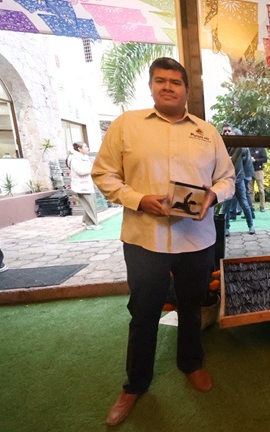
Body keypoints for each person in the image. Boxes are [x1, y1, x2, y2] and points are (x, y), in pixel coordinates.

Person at [91, 57, 235, 426]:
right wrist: (139, 200)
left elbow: (227, 178)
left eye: (175, 81)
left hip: (196, 239)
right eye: (160, 80)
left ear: (186, 90)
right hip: (145, 237)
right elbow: (104, 173)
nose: (167, 86)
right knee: (143, 311)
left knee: (192, 306)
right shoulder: (127, 125)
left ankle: (191, 363)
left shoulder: (207, 132)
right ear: (152, 86)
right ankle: (135, 384)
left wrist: (212, 196)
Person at [221, 145, 255, 236]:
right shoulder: (223, 148)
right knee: (226, 206)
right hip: (228, 181)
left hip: (238, 179)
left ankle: (250, 225)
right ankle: (226, 228)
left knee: (244, 203)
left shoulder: (240, 149)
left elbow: (246, 161)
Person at [67, 142, 102, 230]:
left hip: (87, 183)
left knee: (90, 203)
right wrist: (93, 168)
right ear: (79, 149)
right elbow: (80, 171)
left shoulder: (84, 157)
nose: (87, 148)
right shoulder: (75, 158)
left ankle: (85, 221)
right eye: (85, 147)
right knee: (89, 204)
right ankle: (91, 224)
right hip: (81, 184)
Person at [250, 147, 268, 212]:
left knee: (261, 190)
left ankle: (262, 206)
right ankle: (251, 207)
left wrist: (255, 160)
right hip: (250, 170)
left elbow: (265, 159)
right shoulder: (249, 149)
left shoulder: (261, 148)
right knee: (250, 190)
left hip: (259, 170)